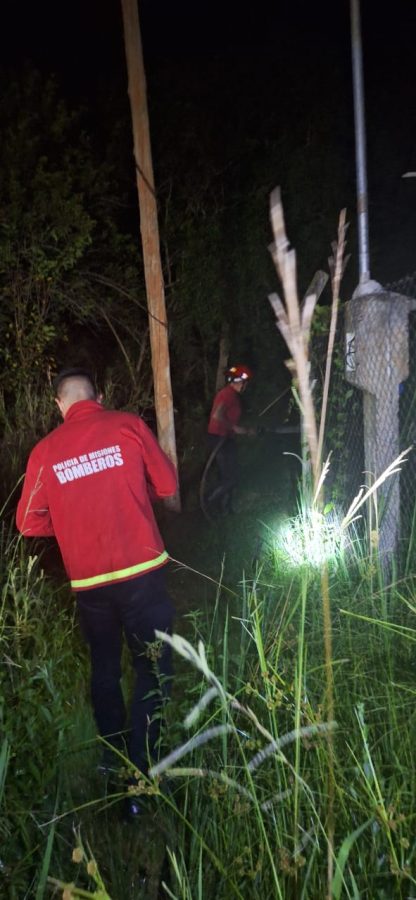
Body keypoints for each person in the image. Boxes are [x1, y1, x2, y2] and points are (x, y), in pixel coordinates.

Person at [16, 368, 177, 817]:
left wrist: (66, 524)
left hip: (89, 585)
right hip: (142, 572)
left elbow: (28, 522)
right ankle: (143, 777)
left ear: (58, 405)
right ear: (99, 397)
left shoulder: (45, 452)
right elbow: (166, 486)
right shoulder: (127, 425)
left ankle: (113, 760)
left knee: (105, 669)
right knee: (152, 669)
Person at [206, 364, 255, 514]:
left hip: (226, 438)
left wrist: (244, 430)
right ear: (239, 381)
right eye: (245, 383)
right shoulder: (227, 394)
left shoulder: (232, 395)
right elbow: (217, 415)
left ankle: (225, 508)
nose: (245, 386)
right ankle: (208, 502)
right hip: (220, 439)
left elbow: (230, 418)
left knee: (229, 474)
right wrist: (234, 428)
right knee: (230, 477)